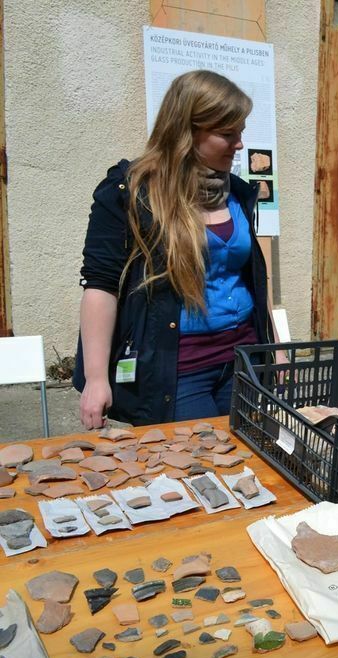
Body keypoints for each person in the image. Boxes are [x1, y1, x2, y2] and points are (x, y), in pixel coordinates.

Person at [75, 70, 278, 428]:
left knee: (249, 464)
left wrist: (274, 350)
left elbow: (252, 280)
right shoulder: (131, 193)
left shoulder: (238, 193)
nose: (240, 145)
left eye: (241, 133)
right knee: (195, 468)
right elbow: (100, 286)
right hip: (179, 368)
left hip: (245, 361)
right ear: (188, 131)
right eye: (228, 134)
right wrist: (95, 378)